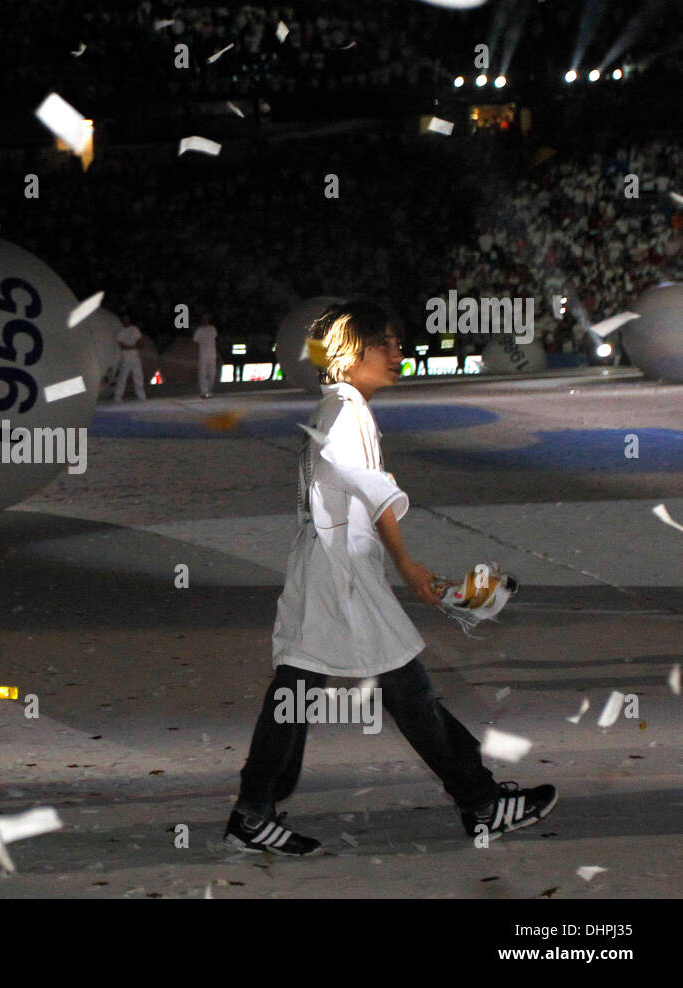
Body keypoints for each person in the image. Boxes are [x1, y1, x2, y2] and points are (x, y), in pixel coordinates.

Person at [223, 299, 556, 856]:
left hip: (324, 570)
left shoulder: (333, 408)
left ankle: (253, 811)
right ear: (353, 352)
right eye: (388, 344)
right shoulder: (348, 412)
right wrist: (406, 565)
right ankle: (480, 802)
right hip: (342, 578)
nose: (399, 353)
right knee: (406, 691)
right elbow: (371, 492)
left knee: (302, 693)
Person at [115, 313, 147, 401]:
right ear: (122, 321)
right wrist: (133, 346)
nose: (126, 320)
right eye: (124, 319)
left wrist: (131, 346)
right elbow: (122, 346)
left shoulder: (134, 329)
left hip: (135, 358)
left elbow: (141, 343)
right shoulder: (120, 332)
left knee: (138, 377)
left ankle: (142, 397)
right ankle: (118, 397)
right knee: (122, 378)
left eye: (127, 318)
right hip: (125, 358)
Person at [193, 313, 218, 398]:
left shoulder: (212, 329)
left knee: (212, 373)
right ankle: (203, 392)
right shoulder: (199, 330)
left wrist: (216, 353)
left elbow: (214, 341)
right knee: (203, 373)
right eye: (204, 318)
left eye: (207, 318)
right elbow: (196, 343)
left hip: (212, 354)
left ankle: (209, 390)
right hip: (203, 354)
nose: (205, 320)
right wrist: (196, 354)